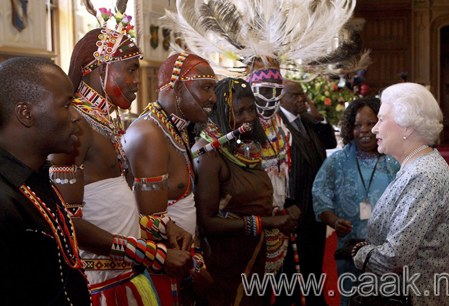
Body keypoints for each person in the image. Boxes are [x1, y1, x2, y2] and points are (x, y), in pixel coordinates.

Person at [49, 23, 193, 304]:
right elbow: (68, 224)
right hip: (94, 287)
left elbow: (111, 208)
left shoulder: (103, 123)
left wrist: (163, 228)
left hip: (122, 278)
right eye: (130, 69)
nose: (137, 81)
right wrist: (153, 253)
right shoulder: (74, 125)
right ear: (98, 68)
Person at [192, 78, 299, 306]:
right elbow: (207, 222)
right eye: (239, 111)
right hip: (223, 264)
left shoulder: (243, 145)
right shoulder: (208, 154)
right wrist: (267, 222)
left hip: (251, 258)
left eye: (251, 109)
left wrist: (279, 214)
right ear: (221, 111)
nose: (249, 117)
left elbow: (246, 200)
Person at [351, 83, 449, 306]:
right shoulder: (418, 166)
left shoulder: (423, 175)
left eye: (381, 119)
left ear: (406, 126)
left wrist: (360, 252)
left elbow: (393, 259)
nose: (374, 129)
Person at [123, 52, 217, 304]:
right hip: (162, 270)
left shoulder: (176, 128)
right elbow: (150, 221)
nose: (213, 98)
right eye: (206, 87)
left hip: (180, 263)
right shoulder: (149, 134)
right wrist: (195, 267)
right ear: (176, 88)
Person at [0, 57, 91, 305]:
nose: (76, 117)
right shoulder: (5, 201)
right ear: (26, 113)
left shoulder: (36, 179)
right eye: (67, 105)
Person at [312, 97, 400, 306]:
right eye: (357, 125)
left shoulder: (394, 161)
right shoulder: (337, 162)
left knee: (387, 299)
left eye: (370, 124)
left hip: (387, 249)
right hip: (349, 248)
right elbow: (320, 194)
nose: (364, 130)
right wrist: (333, 221)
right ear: (349, 128)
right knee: (352, 299)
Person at [273, 80, 335, 306]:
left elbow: (330, 141)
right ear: (280, 97)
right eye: (296, 95)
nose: (302, 99)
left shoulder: (307, 120)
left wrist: (317, 115)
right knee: (289, 268)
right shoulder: (276, 123)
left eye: (303, 95)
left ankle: (314, 298)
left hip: (315, 207)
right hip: (293, 206)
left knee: (314, 260)